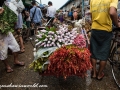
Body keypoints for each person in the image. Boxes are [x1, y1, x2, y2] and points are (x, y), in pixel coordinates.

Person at [90, 0, 119, 80]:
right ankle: (99, 75)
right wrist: (117, 24)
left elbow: (92, 15)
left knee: (93, 52)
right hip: (106, 30)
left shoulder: (92, 0)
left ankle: (94, 73)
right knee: (104, 54)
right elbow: (112, 12)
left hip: (95, 29)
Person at [0, 6, 25, 73]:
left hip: (7, 32)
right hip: (0, 35)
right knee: (3, 52)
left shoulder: (4, 7)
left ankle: (16, 61)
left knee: (16, 47)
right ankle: (7, 66)